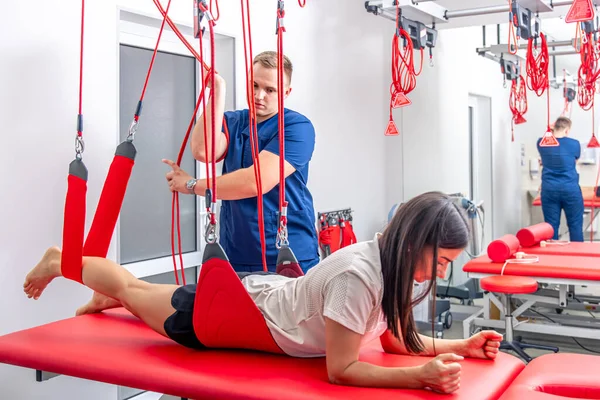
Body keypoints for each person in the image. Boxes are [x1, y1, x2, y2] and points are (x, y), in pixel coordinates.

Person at [23, 191, 502, 395]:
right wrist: (420, 377)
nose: (440, 272)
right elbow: (342, 370)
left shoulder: (392, 265)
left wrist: (462, 346)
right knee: (133, 286)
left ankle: (114, 300)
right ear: (416, 242)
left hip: (267, 301)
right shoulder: (361, 276)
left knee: (135, 295)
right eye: (441, 260)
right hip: (229, 317)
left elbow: (396, 341)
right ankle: (60, 261)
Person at [163, 51, 319, 274]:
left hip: (288, 254)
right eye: (254, 85)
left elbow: (255, 182)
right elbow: (202, 150)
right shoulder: (233, 121)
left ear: (286, 92)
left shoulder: (297, 127)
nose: (259, 95)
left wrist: (191, 185)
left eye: (270, 89)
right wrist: (217, 92)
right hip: (236, 251)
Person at [537, 116, 584, 242]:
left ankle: (552, 260)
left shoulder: (541, 143)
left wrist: (550, 129)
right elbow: (575, 160)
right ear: (567, 130)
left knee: (551, 227)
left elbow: (546, 139)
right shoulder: (574, 144)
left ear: (553, 128)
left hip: (549, 190)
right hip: (570, 190)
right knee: (575, 226)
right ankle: (578, 258)